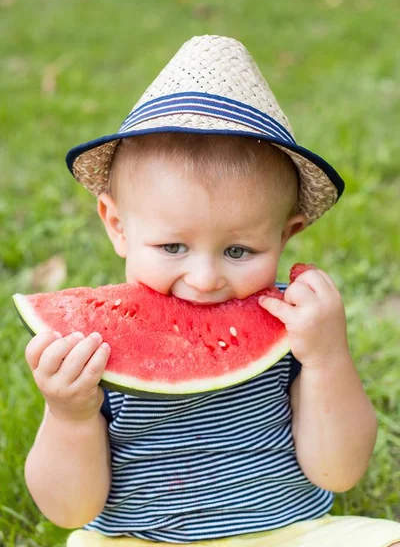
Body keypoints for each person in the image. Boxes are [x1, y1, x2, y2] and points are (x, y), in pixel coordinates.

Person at [23, 36, 400, 547]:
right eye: (173, 246)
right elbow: (70, 510)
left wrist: (328, 359)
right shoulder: (93, 353)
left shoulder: (294, 326)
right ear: (116, 225)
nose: (204, 280)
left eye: (239, 251)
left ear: (286, 236)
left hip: (287, 534)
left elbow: (338, 472)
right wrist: (68, 413)